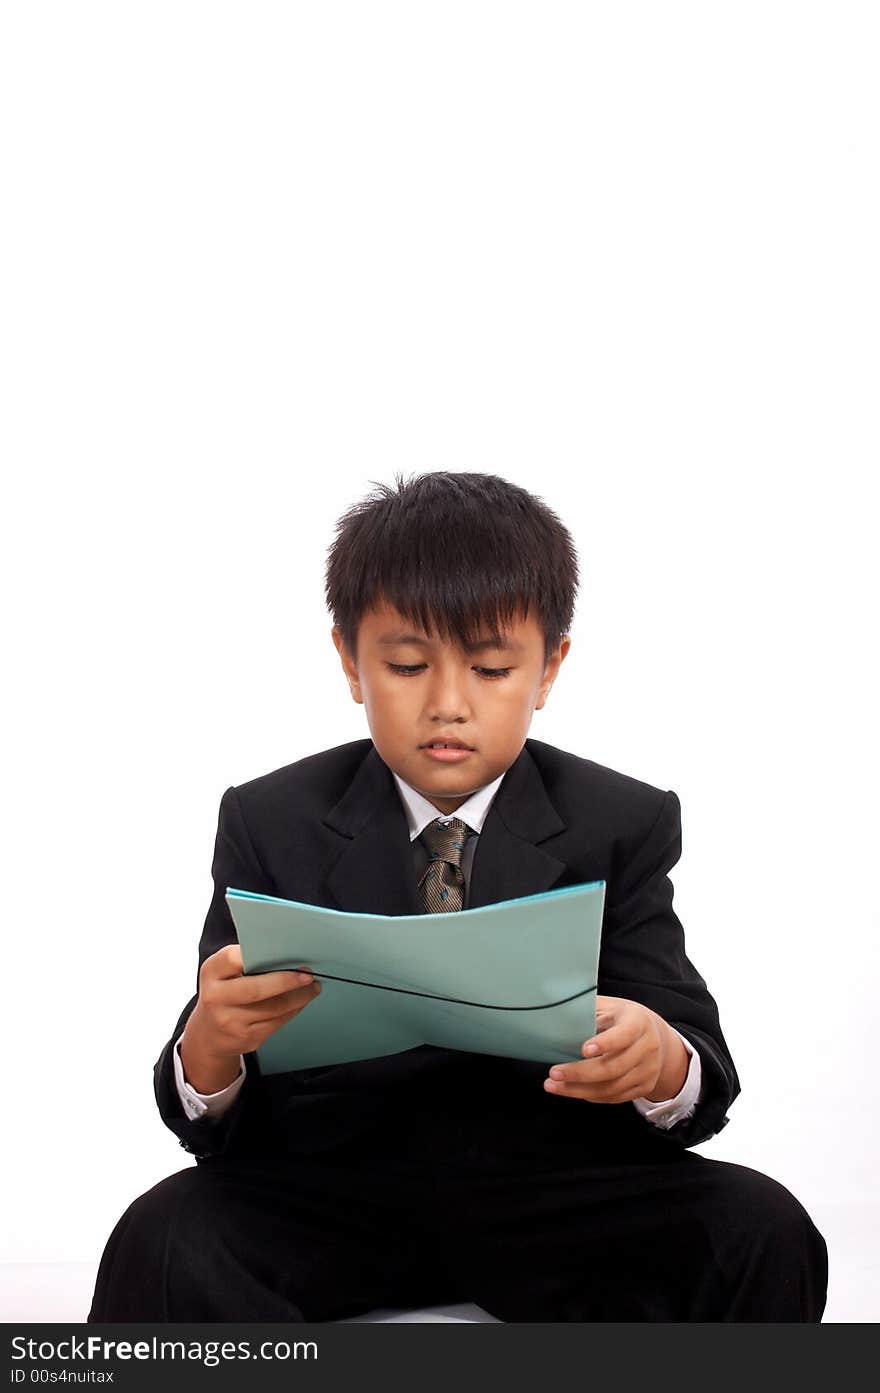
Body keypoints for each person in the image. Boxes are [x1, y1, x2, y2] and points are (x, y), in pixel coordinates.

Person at [88, 471, 828, 1322]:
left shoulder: (620, 821)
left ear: (548, 668)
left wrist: (660, 1061)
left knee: (759, 1227)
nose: (448, 703)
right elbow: (207, 1114)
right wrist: (209, 1047)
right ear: (350, 663)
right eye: (406, 664)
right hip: (331, 1193)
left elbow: (700, 1070)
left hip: (556, 1191)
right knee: (165, 1235)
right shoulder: (271, 817)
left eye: (489, 667)